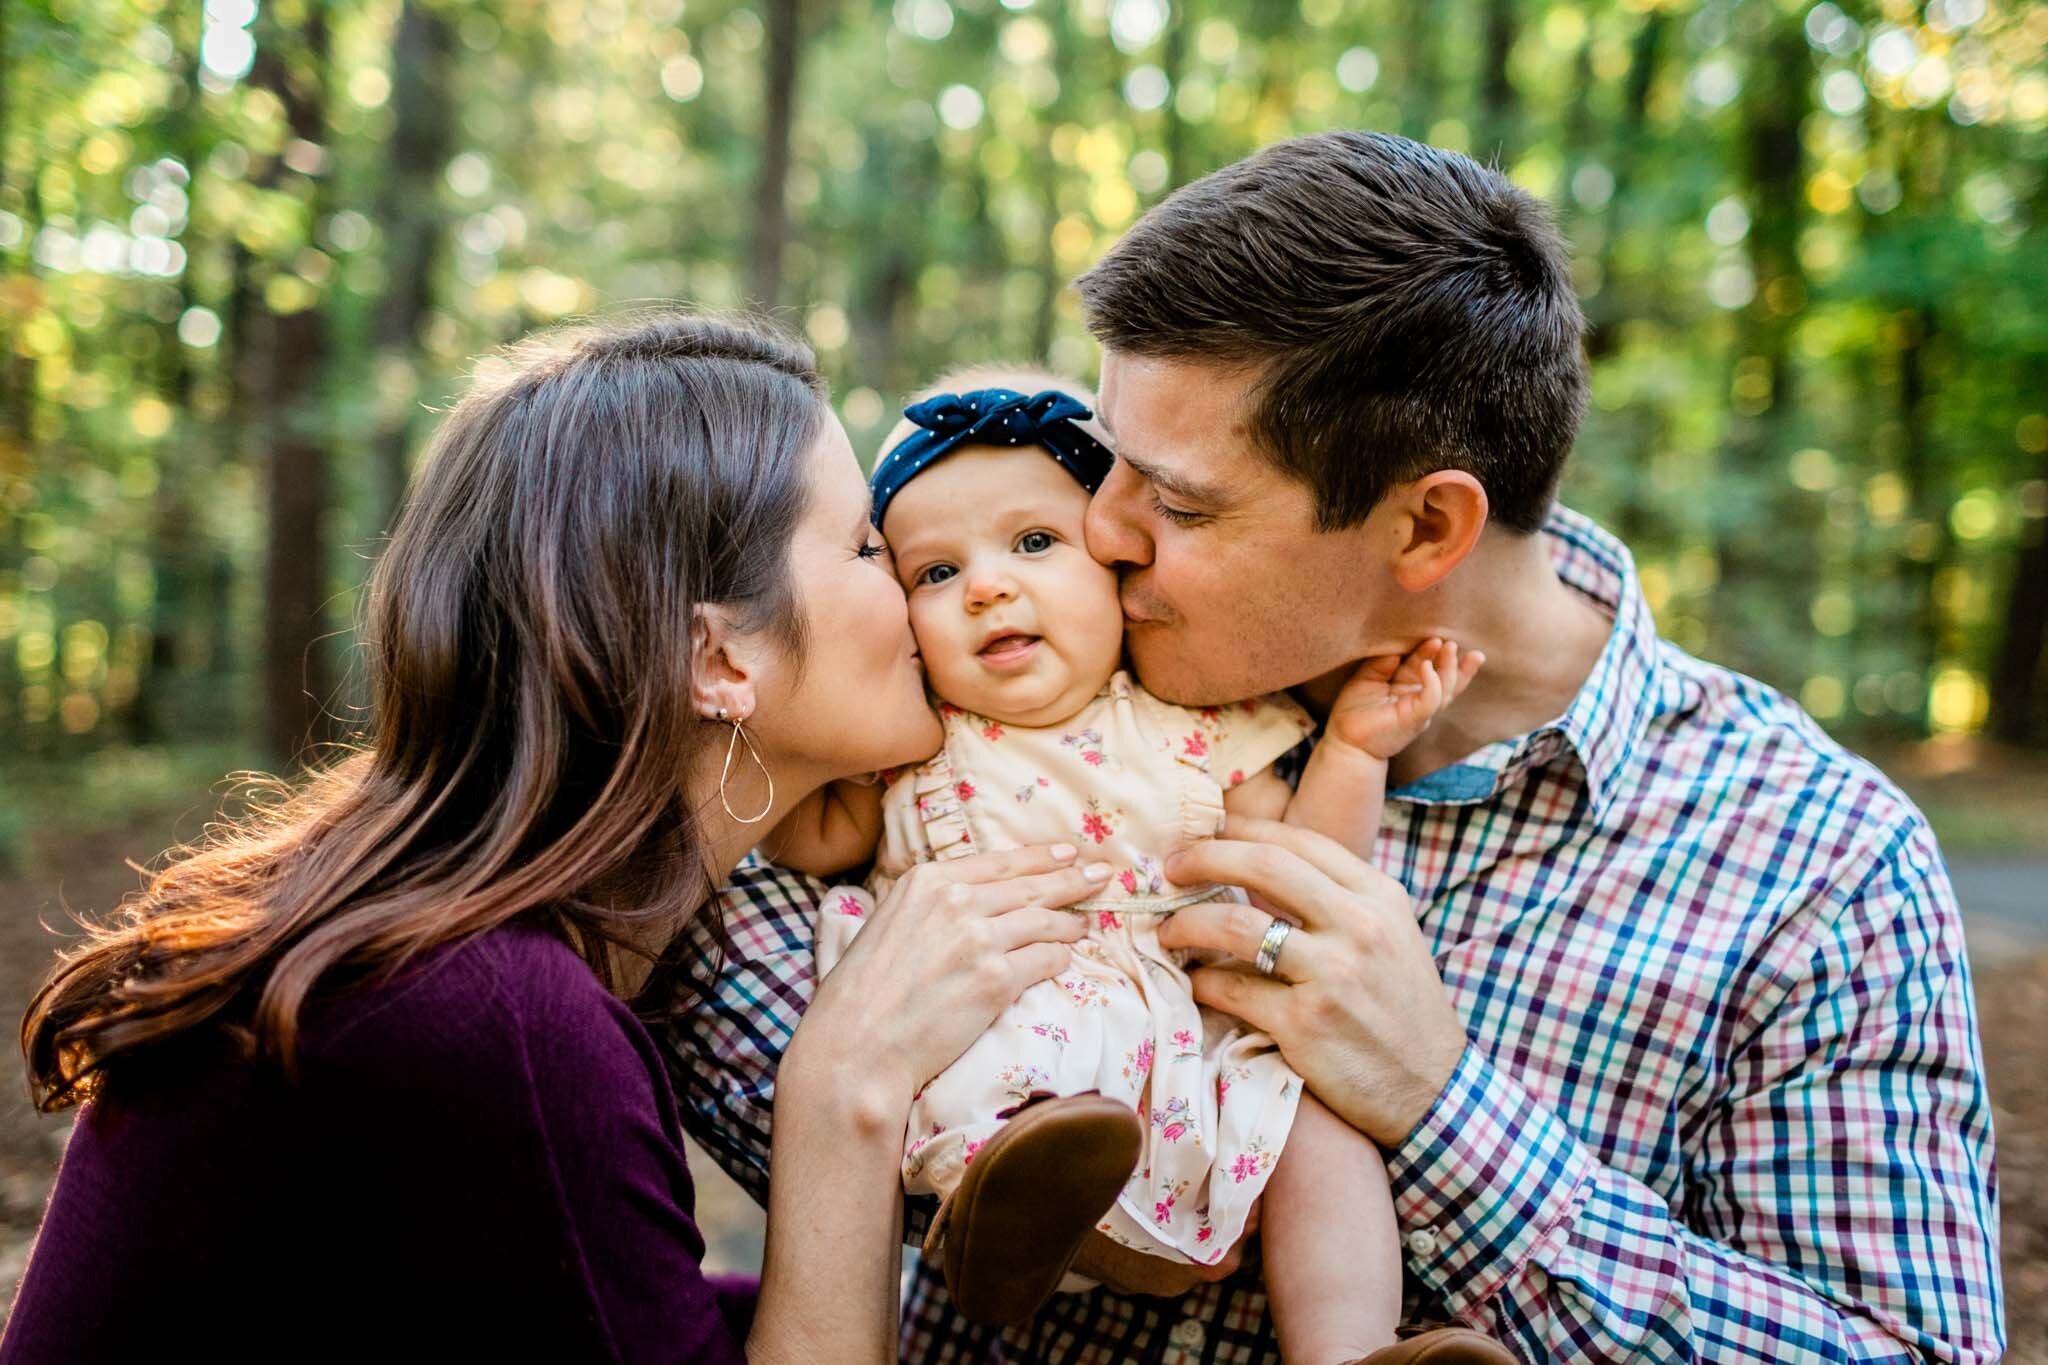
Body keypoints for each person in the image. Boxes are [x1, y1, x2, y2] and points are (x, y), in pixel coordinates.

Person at [658, 133, 2006, 1361]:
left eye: (1176, 499)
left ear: (1425, 532)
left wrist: (1443, 1114)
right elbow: (712, 963)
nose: (1104, 530)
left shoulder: (1818, 864)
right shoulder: (983, 712)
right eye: (1107, 464)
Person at [1, 314, 1105, 1362]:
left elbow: (613, 1305)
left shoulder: (459, 954)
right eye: (870, 549)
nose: (920, 593)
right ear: (718, 660)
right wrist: (849, 1081)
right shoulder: (490, 1018)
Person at [770, 363, 1483, 1362]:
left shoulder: (1193, 726)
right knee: (1014, 1116)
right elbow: (806, 833)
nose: (986, 586)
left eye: (1032, 543)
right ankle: (999, 1237)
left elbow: (1304, 867)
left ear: (1115, 566)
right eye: (934, 572)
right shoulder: (906, 740)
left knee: (1320, 1132)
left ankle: (1353, 1348)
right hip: (1016, 1027)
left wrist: (1353, 752)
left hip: (1188, 1041)